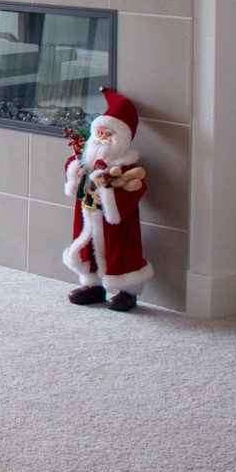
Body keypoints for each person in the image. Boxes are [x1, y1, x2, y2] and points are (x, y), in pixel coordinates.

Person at [63, 88, 152, 311]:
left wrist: (108, 190)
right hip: (90, 217)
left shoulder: (127, 168)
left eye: (108, 134)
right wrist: (76, 173)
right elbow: (74, 182)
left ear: (120, 139)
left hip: (115, 225)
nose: (101, 138)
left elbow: (133, 190)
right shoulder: (89, 161)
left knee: (121, 253)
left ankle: (128, 291)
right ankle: (93, 286)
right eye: (99, 132)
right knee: (89, 251)